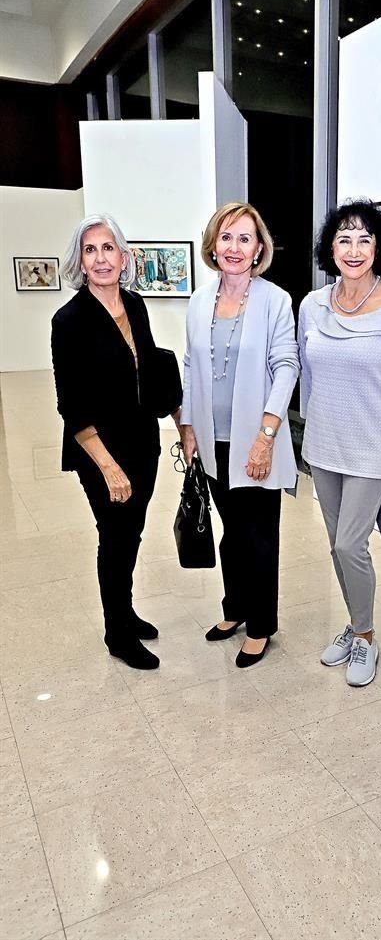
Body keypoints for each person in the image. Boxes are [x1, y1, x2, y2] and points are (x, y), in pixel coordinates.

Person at [298, 199, 381, 687]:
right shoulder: (312, 305)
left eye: (364, 238)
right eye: (344, 238)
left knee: (352, 545)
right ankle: (354, 624)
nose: (354, 249)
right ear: (331, 248)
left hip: (375, 449)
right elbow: (306, 375)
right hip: (324, 446)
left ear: (379, 248)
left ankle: (367, 637)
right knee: (335, 544)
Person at [51, 214, 180, 670]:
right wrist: (108, 466)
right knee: (116, 536)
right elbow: (72, 404)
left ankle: (124, 612)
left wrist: (178, 415)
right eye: (91, 250)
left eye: (109, 248)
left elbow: (150, 366)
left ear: (123, 257)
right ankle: (116, 634)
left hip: (142, 441)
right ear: (80, 262)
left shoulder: (135, 303)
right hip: (99, 452)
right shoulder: (68, 321)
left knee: (131, 534)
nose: (101, 258)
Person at [180, 202, 299, 668]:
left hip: (256, 443)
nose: (234, 247)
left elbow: (286, 365)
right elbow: (191, 366)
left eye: (244, 239)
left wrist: (266, 434)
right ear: (214, 244)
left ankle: (262, 625)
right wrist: (187, 426)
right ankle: (235, 609)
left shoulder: (275, 301)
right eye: (226, 237)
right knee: (231, 533)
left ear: (258, 249)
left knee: (259, 536)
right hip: (213, 442)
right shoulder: (198, 300)